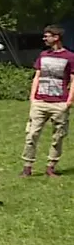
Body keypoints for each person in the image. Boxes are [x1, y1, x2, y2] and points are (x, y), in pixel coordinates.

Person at [23, 25, 74, 176]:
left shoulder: (70, 57)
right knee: (31, 134)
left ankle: (51, 166)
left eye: (47, 36)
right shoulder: (43, 55)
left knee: (58, 136)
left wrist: (69, 101)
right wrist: (33, 97)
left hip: (59, 103)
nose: (44, 38)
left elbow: (73, 79)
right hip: (40, 102)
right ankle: (27, 166)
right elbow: (37, 76)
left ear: (56, 37)